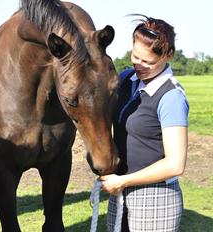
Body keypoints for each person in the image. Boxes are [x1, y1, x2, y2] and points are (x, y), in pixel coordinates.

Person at [99, 15, 189, 232]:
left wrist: (123, 181)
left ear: (168, 55)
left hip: (156, 197)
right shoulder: (126, 79)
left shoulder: (171, 97)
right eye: (135, 56)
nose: (139, 66)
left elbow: (175, 164)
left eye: (148, 62)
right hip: (121, 192)